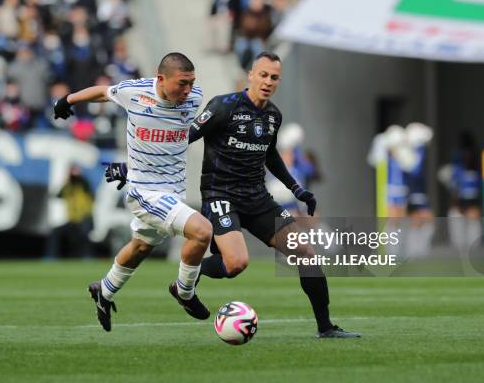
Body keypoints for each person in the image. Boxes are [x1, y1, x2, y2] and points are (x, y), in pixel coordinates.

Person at [107, 52, 360, 338]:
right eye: (263, 75)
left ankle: (326, 327)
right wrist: (132, 167)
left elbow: (271, 154)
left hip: (257, 197)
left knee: (307, 254)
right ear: (251, 75)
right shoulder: (223, 106)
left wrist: (296, 188)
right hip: (220, 195)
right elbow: (181, 138)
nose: (268, 82)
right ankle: (187, 279)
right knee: (236, 263)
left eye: (274, 77)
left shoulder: (273, 115)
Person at [53, 53, 213, 332]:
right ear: (160, 79)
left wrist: (129, 165)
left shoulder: (195, 98)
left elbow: (169, 139)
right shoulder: (134, 92)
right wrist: (67, 100)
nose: (187, 90)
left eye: (192, 82)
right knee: (202, 231)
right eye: (182, 83)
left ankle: (104, 290)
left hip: (174, 191)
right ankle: (185, 292)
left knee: (140, 247)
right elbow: (103, 92)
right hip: (145, 194)